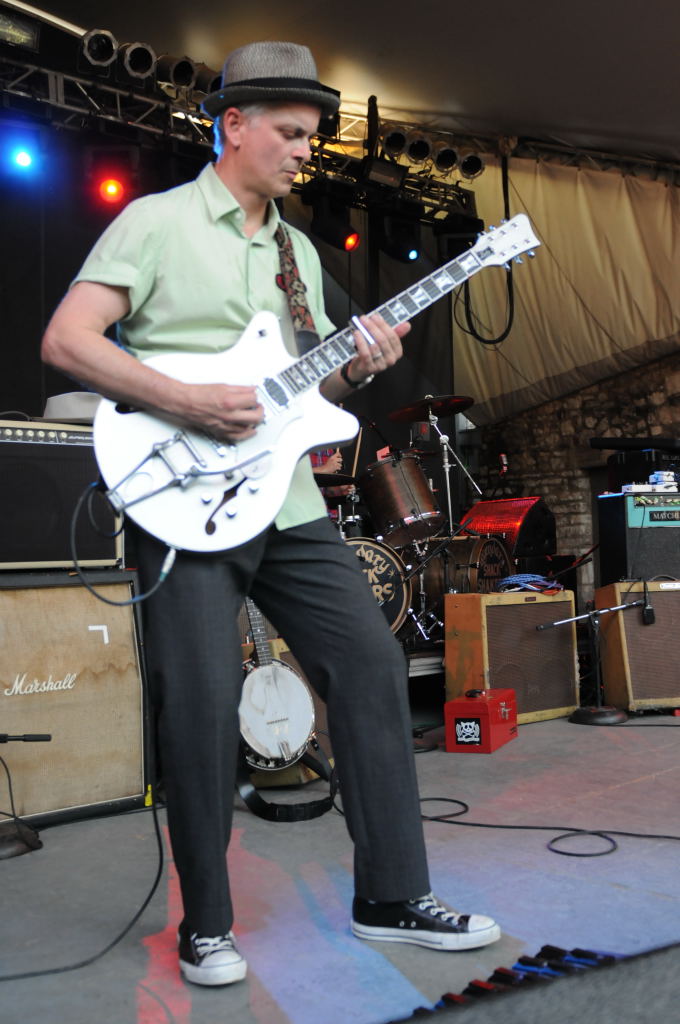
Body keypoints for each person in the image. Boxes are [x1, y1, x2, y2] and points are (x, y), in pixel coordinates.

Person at [41, 41, 500, 988]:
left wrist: (357, 364)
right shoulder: (156, 223)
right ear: (234, 125)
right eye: (289, 132)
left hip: (286, 502)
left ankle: (391, 896)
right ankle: (207, 925)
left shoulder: (298, 254)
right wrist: (185, 399)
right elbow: (68, 340)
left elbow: (309, 385)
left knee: (370, 665)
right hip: (185, 503)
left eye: (311, 137)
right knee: (202, 708)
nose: (303, 151)